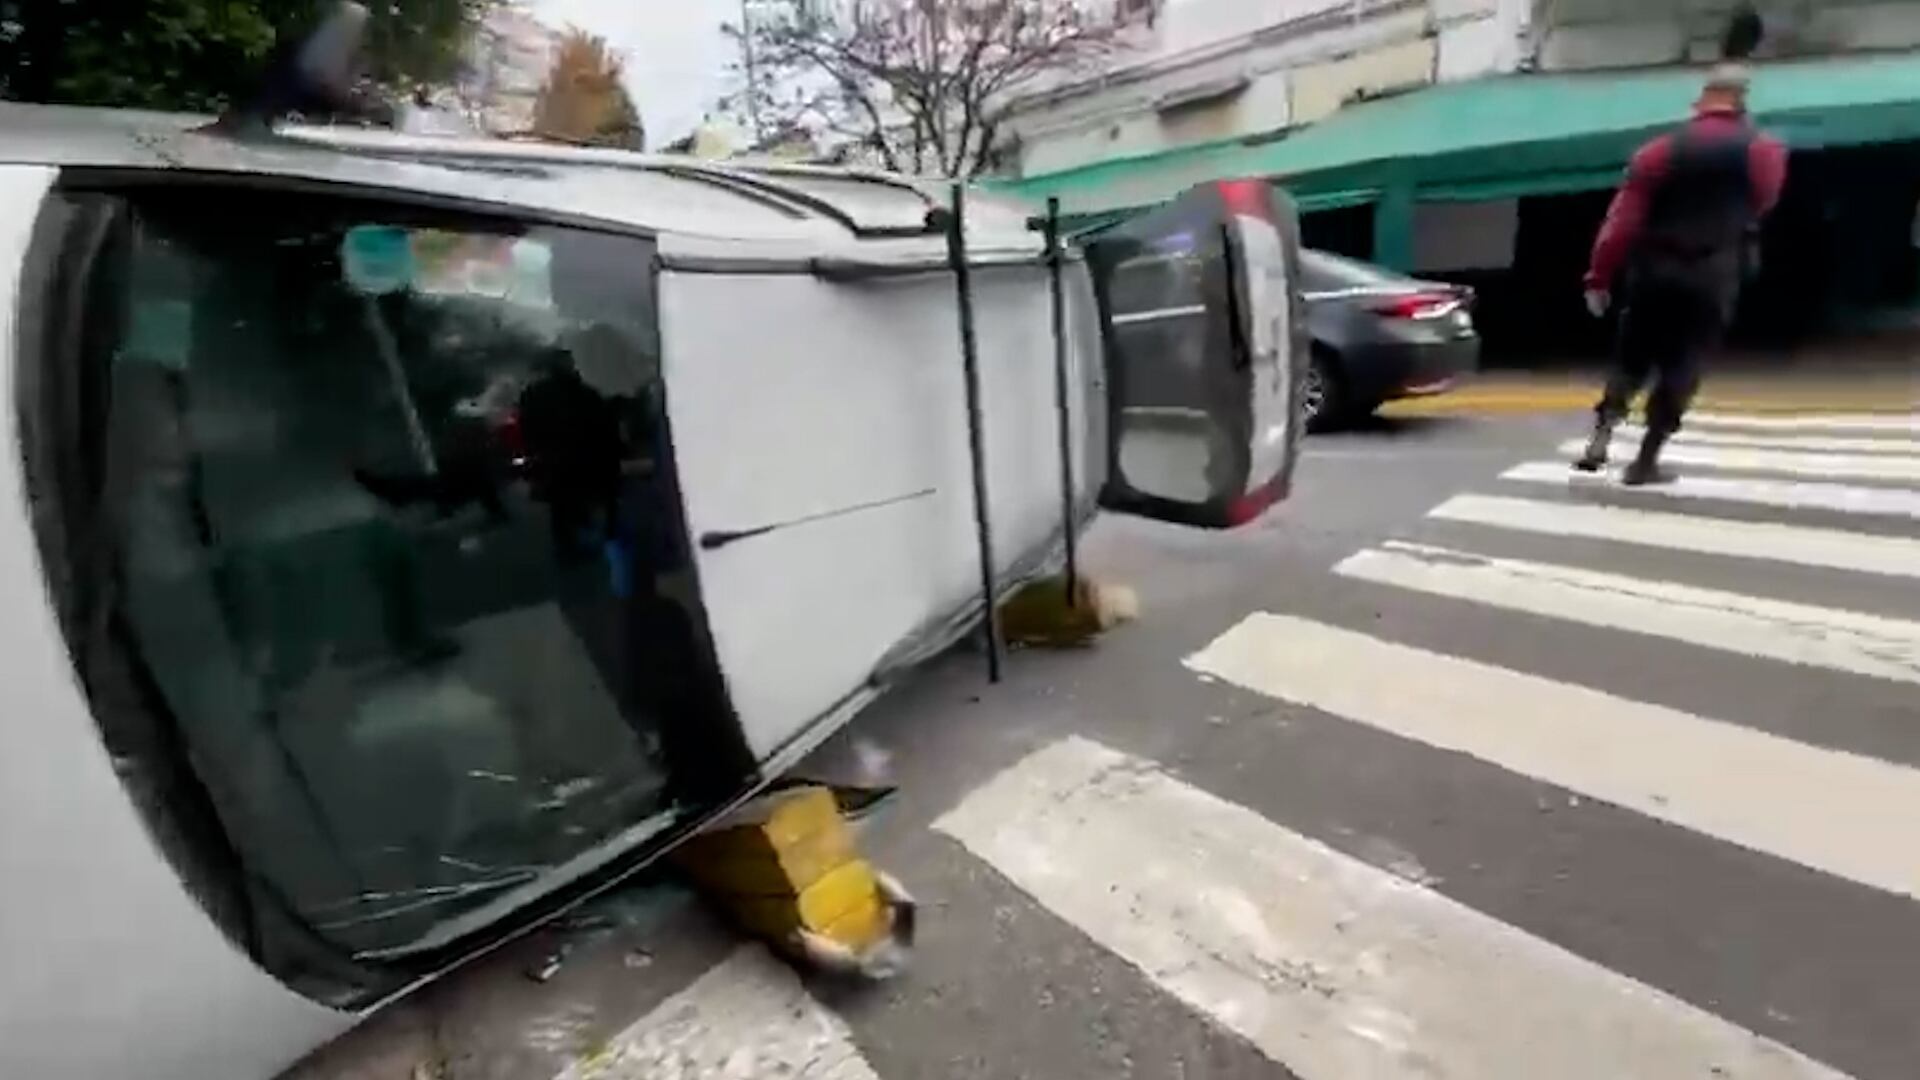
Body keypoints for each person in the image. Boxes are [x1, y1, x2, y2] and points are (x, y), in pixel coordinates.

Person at [1576, 62, 1788, 485]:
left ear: (1700, 102)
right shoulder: (1763, 151)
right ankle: (1645, 461)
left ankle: (1601, 435)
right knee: (1685, 361)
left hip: (1654, 267)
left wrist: (1598, 277)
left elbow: (1622, 221)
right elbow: (1763, 202)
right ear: (1742, 102)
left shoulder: (1659, 150)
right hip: (1713, 272)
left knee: (1632, 355)